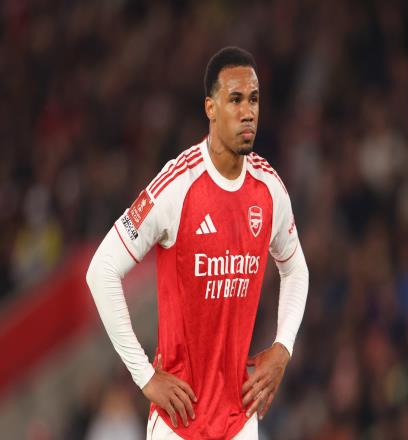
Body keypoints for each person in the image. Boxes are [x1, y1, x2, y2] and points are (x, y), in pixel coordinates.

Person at [86, 46, 309, 440]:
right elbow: (101, 271)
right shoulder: (176, 186)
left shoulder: (269, 188)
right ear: (211, 108)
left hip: (240, 418)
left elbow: (295, 269)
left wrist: (283, 347)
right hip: (179, 423)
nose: (248, 112)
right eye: (235, 99)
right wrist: (144, 375)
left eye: (254, 99)